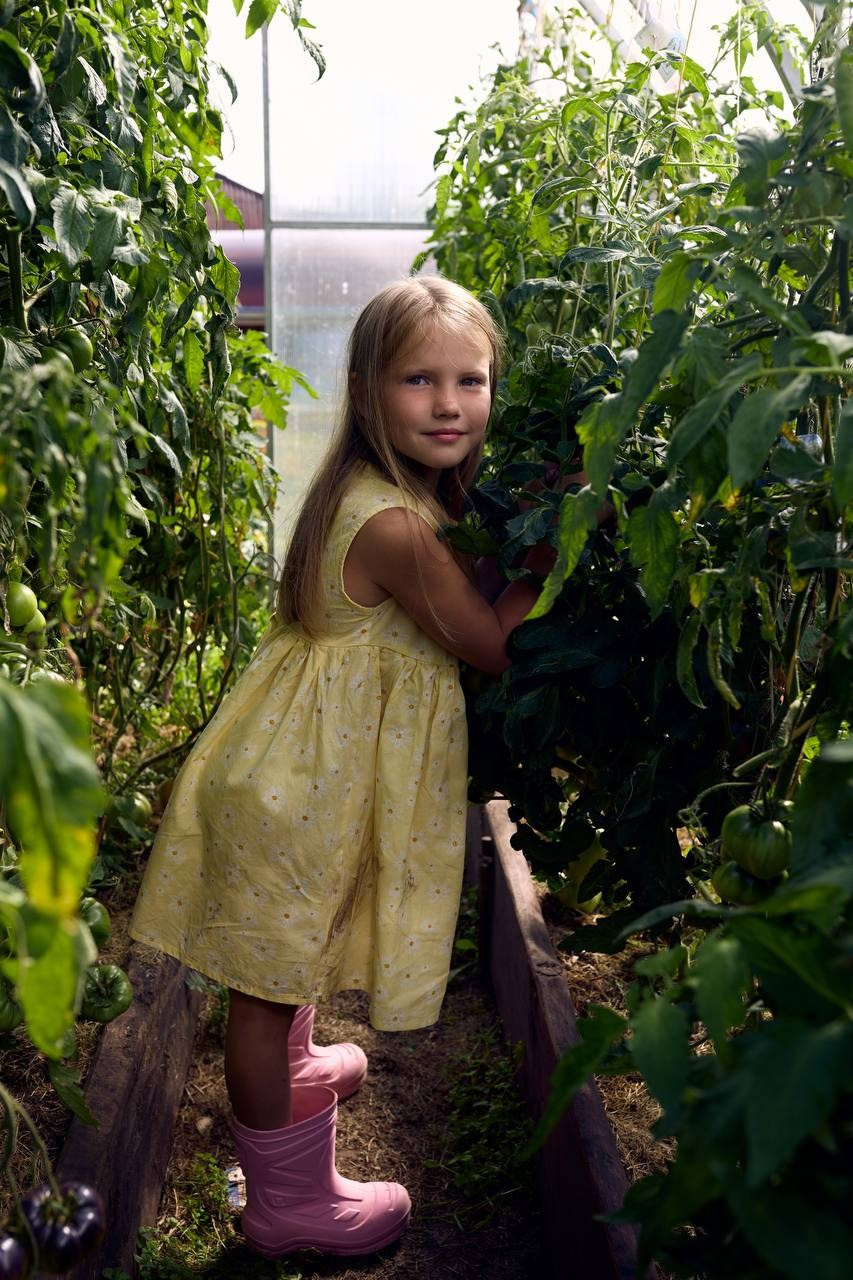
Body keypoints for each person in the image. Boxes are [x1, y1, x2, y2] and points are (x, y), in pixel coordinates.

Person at [129, 276, 560, 1260]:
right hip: (298, 785)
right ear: (368, 390)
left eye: (472, 379)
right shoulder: (396, 525)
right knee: (265, 980)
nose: (450, 403)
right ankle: (288, 1199)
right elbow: (488, 641)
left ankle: (297, 1065)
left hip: (293, 770)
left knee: (287, 949)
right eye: (420, 379)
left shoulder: (376, 492)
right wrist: (551, 549)